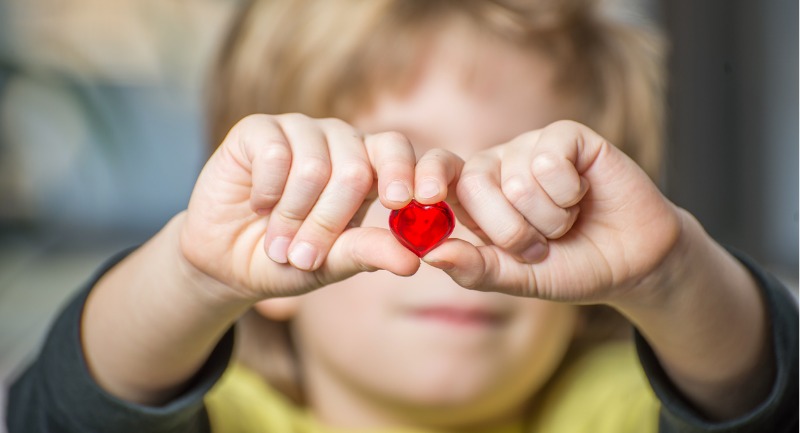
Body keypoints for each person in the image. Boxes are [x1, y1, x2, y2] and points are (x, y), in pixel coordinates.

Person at [7, 0, 798, 432]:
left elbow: (766, 404)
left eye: (520, 183)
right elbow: (63, 415)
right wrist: (194, 270)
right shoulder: (225, 416)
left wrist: (669, 272)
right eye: (378, 178)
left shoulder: (616, 407)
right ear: (275, 248)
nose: (450, 224)